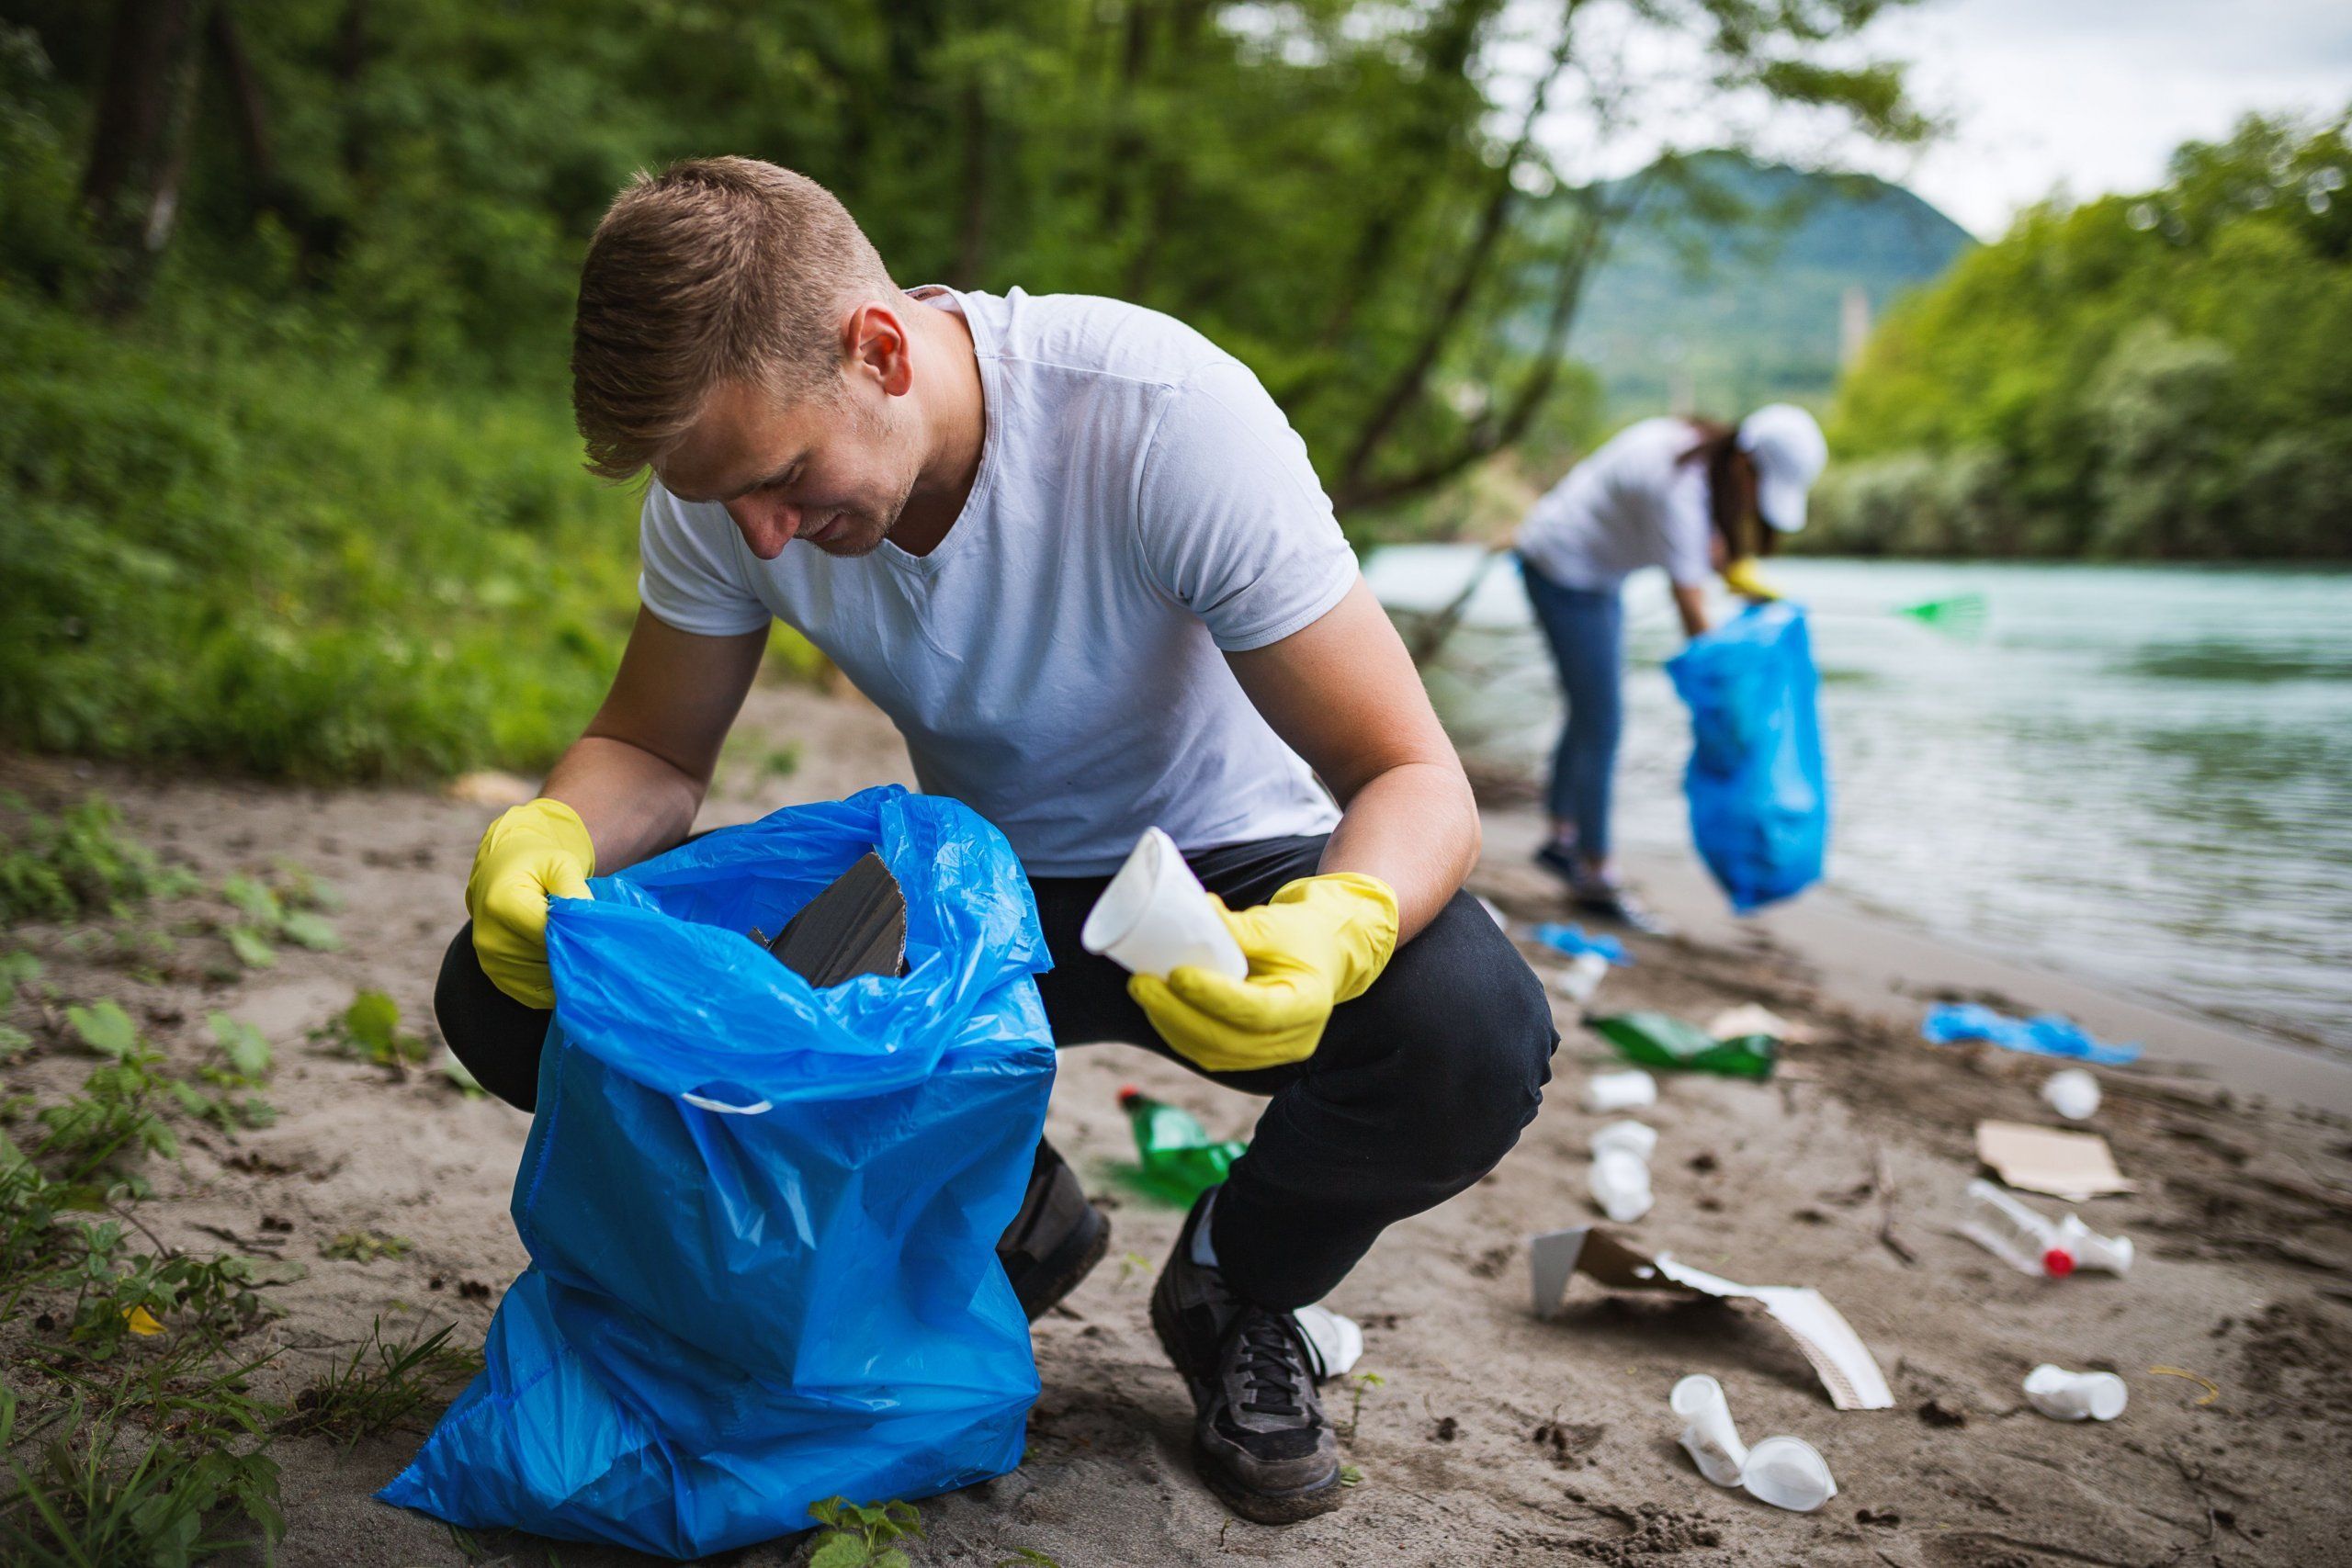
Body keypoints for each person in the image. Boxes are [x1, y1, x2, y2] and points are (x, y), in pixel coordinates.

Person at [435, 158, 1555, 1527]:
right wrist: (551, 825)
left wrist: (1339, 922)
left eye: (785, 480)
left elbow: (1412, 773)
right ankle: (999, 1209)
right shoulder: (731, 482)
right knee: (511, 990)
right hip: (969, 893)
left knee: (1471, 1032)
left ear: (883, 348)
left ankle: (1241, 1283)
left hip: (1224, 875)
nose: (765, 534)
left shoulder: (1160, 415)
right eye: (725, 497)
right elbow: (657, 756)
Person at [1513, 406, 1826, 931]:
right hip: (1562, 567)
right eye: (1760, 491)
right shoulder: (1678, 486)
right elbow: (1694, 617)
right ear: (1744, 465)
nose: (1755, 506)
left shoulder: (1699, 456)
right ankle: (1595, 873)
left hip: (1593, 572)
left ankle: (1561, 839)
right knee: (1603, 721)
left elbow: (1707, 552)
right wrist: (1732, 697)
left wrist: (1740, 577)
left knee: (1588, 711)